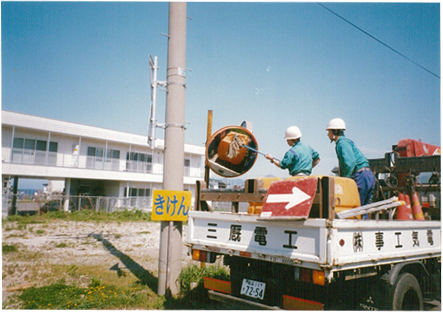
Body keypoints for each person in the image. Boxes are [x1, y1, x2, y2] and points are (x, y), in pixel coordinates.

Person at [326, 118, 375, 213]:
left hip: (360, 176)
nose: (328, 134)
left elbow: (350, 162)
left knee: (355, 210)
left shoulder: (342, 143)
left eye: (329, 131)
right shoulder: (346, 142)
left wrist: (345, 180)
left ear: (335, 131)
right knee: (362, 210)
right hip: (367, 175)